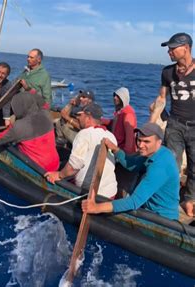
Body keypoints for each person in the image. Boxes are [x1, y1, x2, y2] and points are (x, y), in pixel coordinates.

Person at [82, 123, 180, 220]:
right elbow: (131, 164)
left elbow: (134, 202)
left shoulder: (161, 166)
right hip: (148, 207)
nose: (141, 145)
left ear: (159, 142)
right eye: (139, 140)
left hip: (162, 217)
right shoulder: (154, 152)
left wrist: (96, 208)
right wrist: (115, 149)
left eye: (146, 142)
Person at [150, 32, 195, 217]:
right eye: (168, 49)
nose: (169, 52)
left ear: (186, 48)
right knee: (172, 164)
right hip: (175, 124)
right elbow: (161, 99)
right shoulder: (167, 72)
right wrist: (151, 125)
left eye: (172, 48)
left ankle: (190, 199)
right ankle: (171, 199)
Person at [0, 91, 60, 172]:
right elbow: (43, 103)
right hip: (55, 164)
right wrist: (29, 89)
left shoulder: (18, 127)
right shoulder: (46, 114)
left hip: (38, 169)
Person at [45, 103, 118, 199]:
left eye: (80, 115)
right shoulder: (111, 136)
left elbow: (74, 166)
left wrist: (59, 175)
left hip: (91, 195)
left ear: (88, 118)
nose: (78, 118)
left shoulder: (84, 134)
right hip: (110, 193)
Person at [102, 87, 137, 154]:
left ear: (124, 99)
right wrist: (102, 121)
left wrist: (125, 156)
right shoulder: (120, 112)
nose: (115, 98)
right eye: (114, 95)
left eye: (118, 96)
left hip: (121, 152)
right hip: (116, 147)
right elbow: (116, 124)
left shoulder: (128, 115)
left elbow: (129, 139)